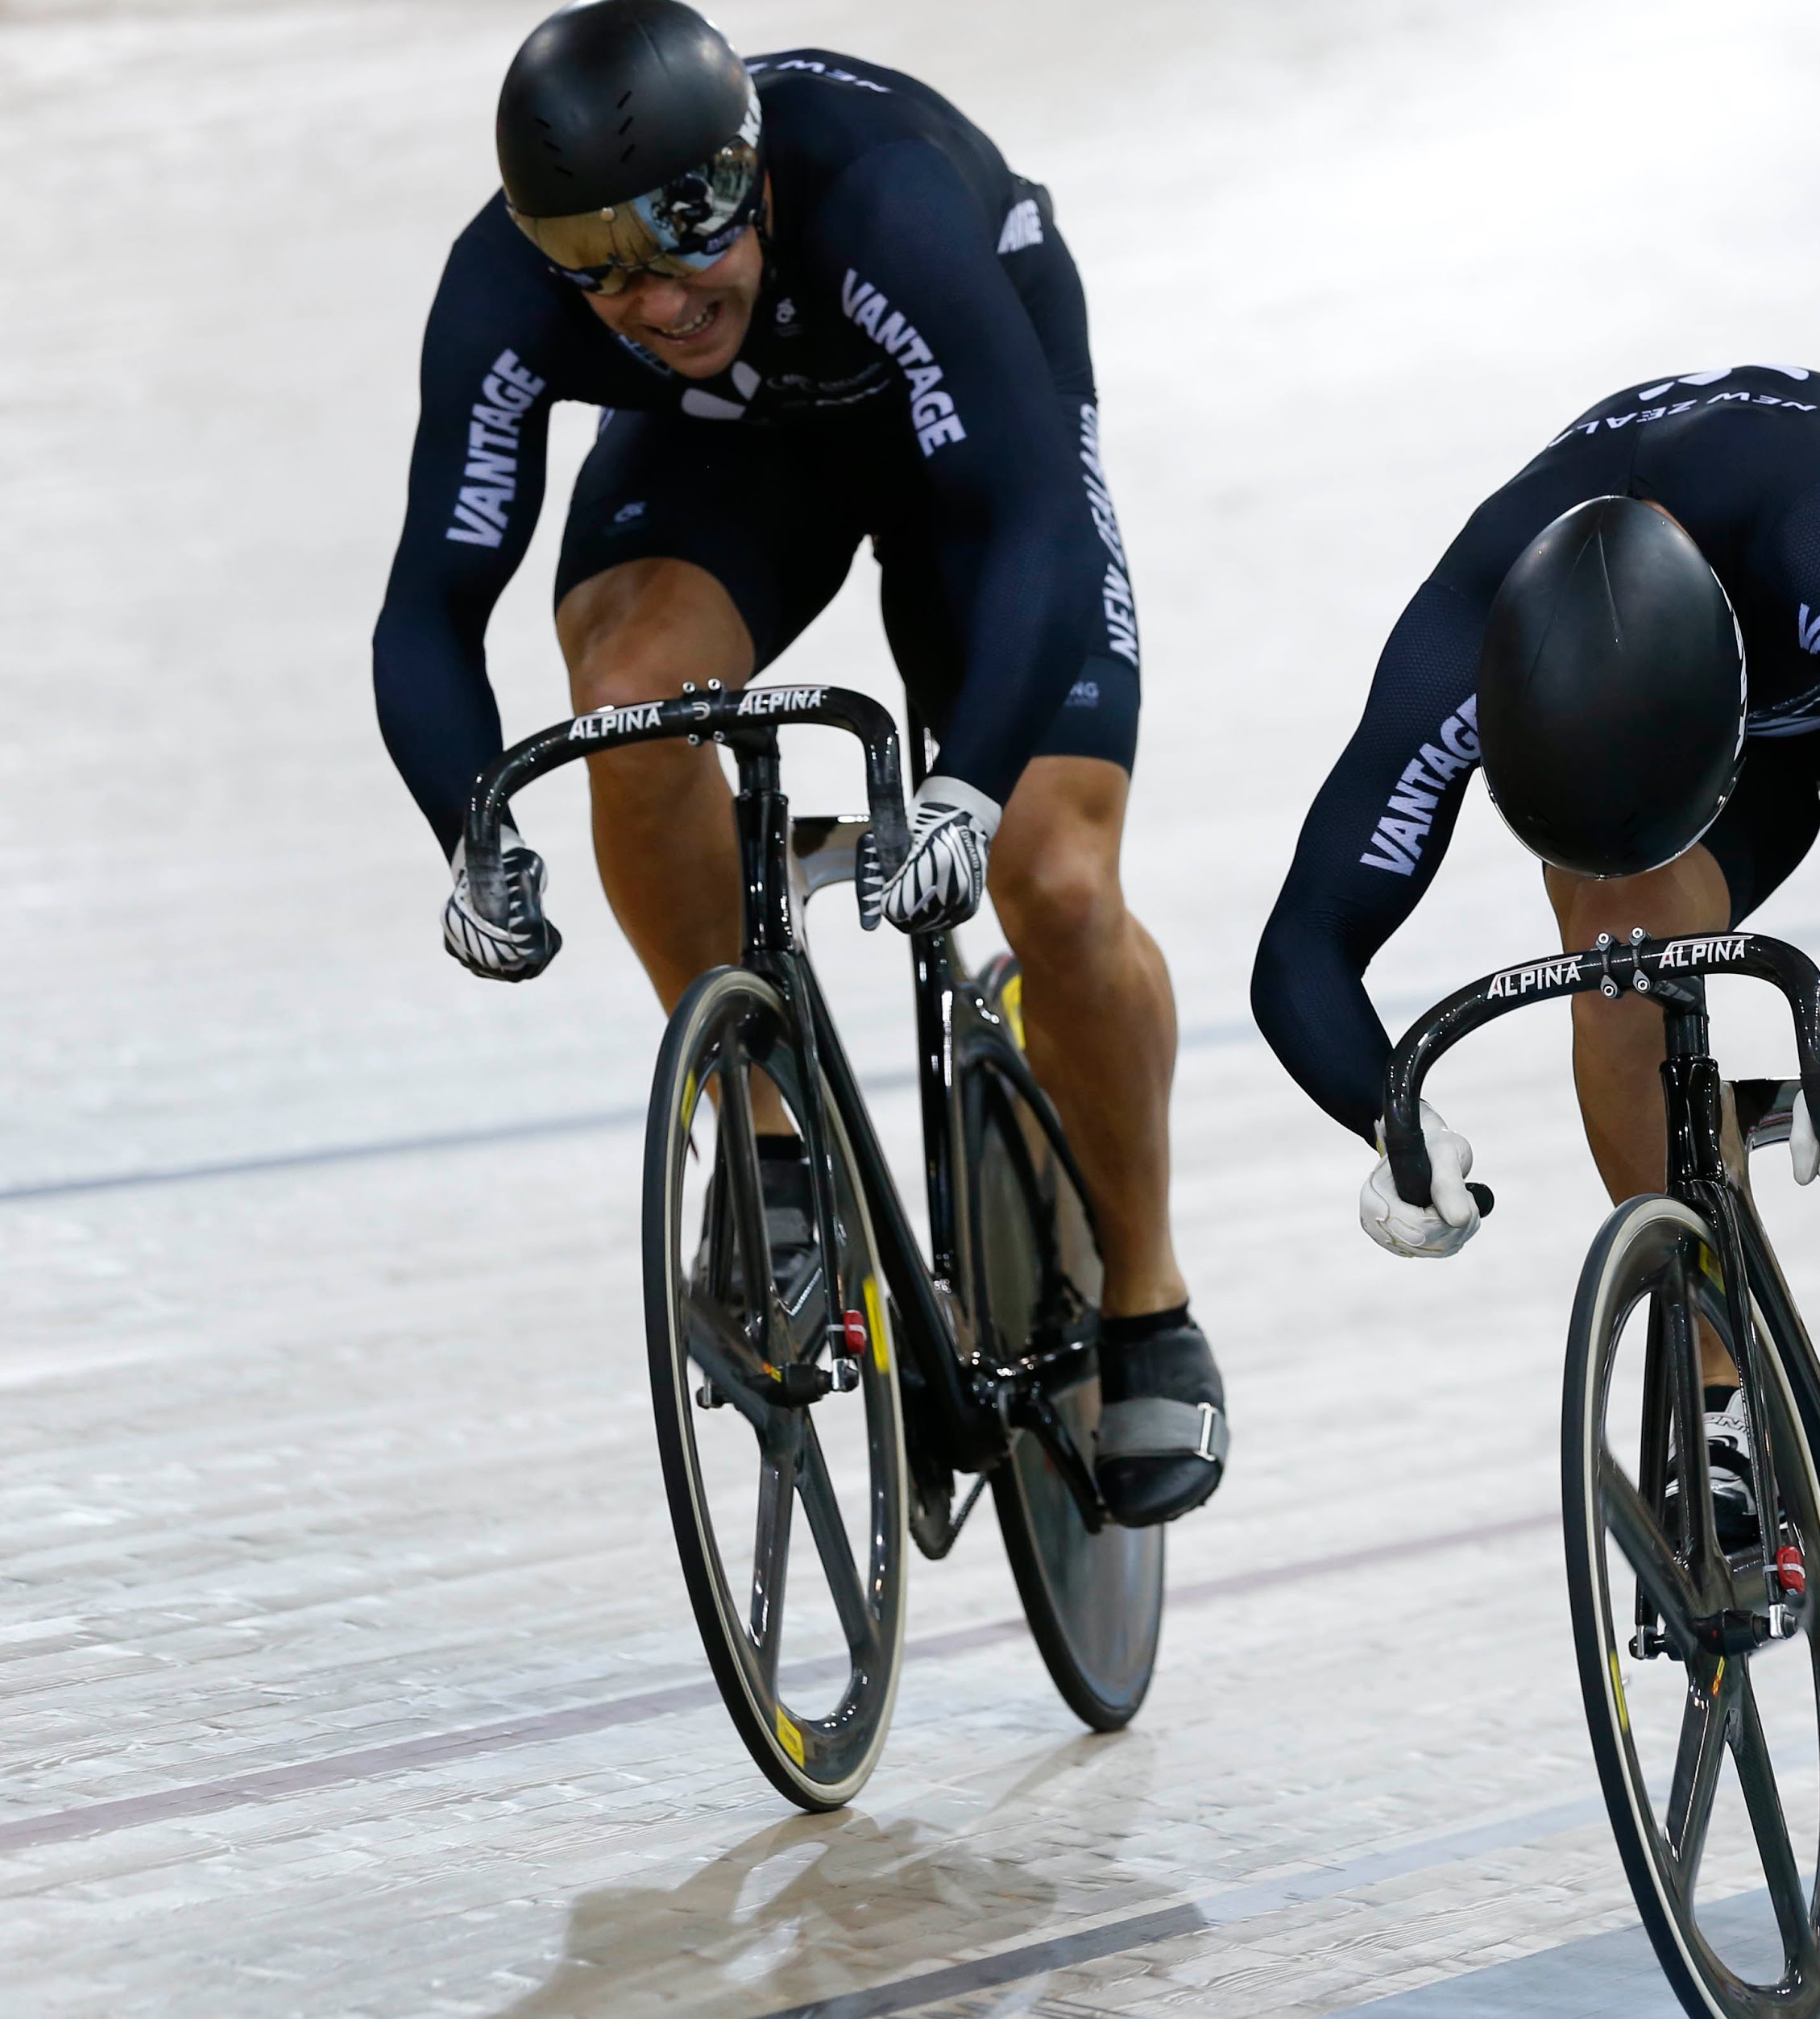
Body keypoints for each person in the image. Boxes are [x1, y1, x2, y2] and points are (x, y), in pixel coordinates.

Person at [1251, 365, 1820, 1824]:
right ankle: (1720, 1395)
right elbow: (1303, 944)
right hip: (1707, 738)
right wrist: (1388, 1112)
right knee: (1620, 950)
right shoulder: (1466, 628)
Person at [370, 0, 1225, 1521]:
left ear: (751, 175)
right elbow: (431, 603)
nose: (655, 297)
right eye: (598, 267)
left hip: (973, 427)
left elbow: (1032, 525)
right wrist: (471, 829)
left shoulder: (884, 199)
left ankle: (1148, 1302)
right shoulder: (504, 287)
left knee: (1054, 877)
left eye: (684, 237)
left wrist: (964, 788)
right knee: (626, 703)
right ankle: (764, 1143)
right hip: (744, 444)